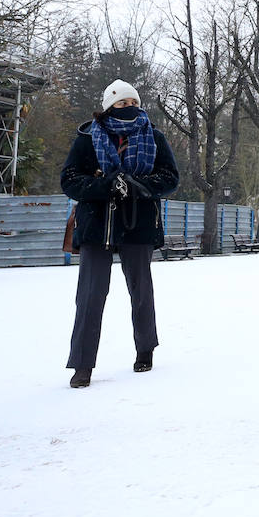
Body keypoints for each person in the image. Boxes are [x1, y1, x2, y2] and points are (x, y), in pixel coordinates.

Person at [60, 80, 180, 389]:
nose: (127, 107)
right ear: (108, 106)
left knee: (141, 292)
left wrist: (138, 186)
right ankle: (82, 364)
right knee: (89, 297)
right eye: (121, 103)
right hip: (96, 226)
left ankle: (145, 348)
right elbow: (70, 180)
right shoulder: (88, 137)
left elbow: (169, 178)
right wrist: (106, 186)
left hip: (138, 224)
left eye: (132, 103)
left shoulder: (154, 136)